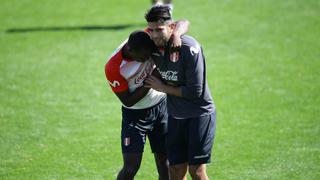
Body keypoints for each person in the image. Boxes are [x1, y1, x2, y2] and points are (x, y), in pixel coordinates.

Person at [104, 21, 189, 180]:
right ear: (130, 50)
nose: (147, 59)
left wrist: (176, 34)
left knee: (164, 162)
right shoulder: (113, 67)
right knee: (131, 167)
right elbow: (128, 101)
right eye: (143, 57)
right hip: (135, 116)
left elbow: (182, 23)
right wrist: (153, 79)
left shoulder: (148, 38)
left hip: (161, 107)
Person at [144, 5, 216, 180]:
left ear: (170, 27)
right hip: (175, 117)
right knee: (175, 170)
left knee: (196, 171)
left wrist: (163, 88)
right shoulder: (152, 45)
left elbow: (195, 91)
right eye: (151, 30)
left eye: (159, 30)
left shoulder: (189, 48)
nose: (154, 35)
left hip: (199, 115)